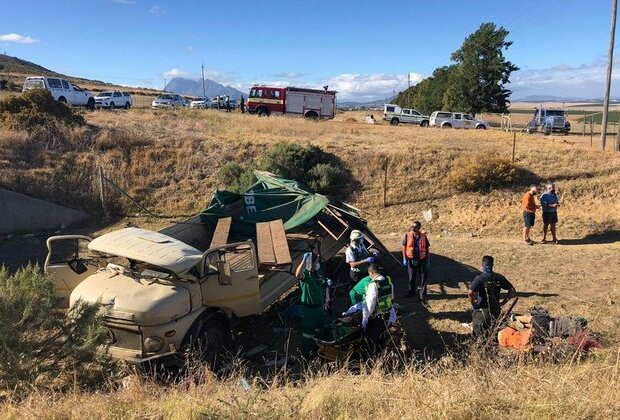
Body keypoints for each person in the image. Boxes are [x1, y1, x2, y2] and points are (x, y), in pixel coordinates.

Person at [468, 255, 516, 340]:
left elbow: (470, 293)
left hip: (482, 312)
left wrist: (474, 304)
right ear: (492, 265)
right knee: (493, 334)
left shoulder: (479, 278)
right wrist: (503, 302)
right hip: (495, 310)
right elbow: (512, 290)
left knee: (479, 336)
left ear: (482, 264)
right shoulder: (499, 277)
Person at [295, 252, 327, 358]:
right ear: (310, 263)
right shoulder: (306, 274)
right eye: (316, 262)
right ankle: (305, 356)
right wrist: (304, 261)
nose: (317, 264)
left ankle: (317, 351)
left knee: (320, 331)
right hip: (310, 309)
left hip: (320, 308)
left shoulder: (317, 273)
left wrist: (326, 282)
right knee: (308, 334)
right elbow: (297, 275)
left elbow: (321, 282)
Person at [361, 264, 397, 352]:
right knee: (382, 337)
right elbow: (391, 298)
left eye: (369, 274)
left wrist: (364, 319)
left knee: (370, 339)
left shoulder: (373, 285)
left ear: (372, 273)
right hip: (387, 315)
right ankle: (382, 355)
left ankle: (373, 359)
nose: (370, 277)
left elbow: (370, 305)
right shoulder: (388, 281)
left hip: (375, 318)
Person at [401, 221, 430, 301]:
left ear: (419, 228)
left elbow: (427, 248)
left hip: (422, 259)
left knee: (423, 277)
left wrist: (428, 259)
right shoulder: (408, 235)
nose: (413, 228)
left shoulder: (423, 236)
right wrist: (404, 258)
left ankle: (422, 294)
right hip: (411, 259)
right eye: (412, 226)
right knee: (412, 277)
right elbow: (404, 247)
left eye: (416, 227)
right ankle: (411, 292)